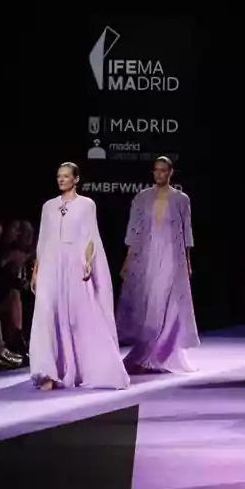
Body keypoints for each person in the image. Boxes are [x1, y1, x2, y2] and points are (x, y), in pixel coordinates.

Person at [29, 163, 128, 391]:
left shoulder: (86, 205)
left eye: (66, 176)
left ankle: (80, 368)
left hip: (74, 263)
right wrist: (36, 271)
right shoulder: (48, 207)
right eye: (58, 176)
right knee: (46, 315)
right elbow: (42, 241)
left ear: (76, 179)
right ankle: (48, 372)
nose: (61, 180)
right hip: (51, 265)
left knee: (77, 316)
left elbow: (91, 237)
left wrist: (87, 262)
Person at [117, 156, 199, 375]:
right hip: (148, 255)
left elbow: (187, 231)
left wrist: (188, 262)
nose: (159, 174)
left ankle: (161, 353)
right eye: (156, 170)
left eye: (163, 170)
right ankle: (148, 352)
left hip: (173, 256)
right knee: (151, 303)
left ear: (171, 172)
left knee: (168, 302)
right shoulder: (142, 198)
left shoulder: (181, 199)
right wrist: (128, 260)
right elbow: (133, 230)